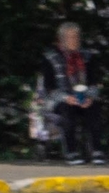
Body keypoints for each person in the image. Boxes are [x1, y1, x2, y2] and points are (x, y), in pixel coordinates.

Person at [37, 22, 104, 164]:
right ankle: (71, 152)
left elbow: (94, 81)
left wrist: (90, 96)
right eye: (71, 37)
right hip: (59, 99)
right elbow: (48, 87)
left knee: (95, 108)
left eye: (76, 37)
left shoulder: (87, 56)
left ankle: (96, 151)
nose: (75, 40)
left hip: (83, 96)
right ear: (62, 39)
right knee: (67, 111)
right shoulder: (50, 58)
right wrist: (66, 98)